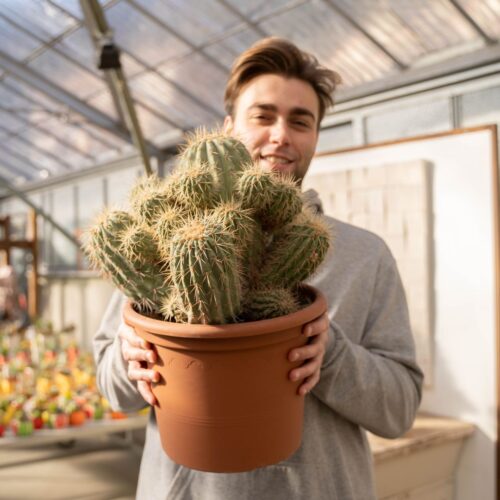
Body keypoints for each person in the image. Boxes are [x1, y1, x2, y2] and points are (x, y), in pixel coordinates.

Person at [94, 37, 423, 499]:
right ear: (227, 130)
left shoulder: (365, 255)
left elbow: (401, 409)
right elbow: (111, 387)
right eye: (263, 116)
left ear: (315, 137)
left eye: (300, 121)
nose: (281, 135)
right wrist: (131, 361)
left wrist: (331, 357)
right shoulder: (168, 238)